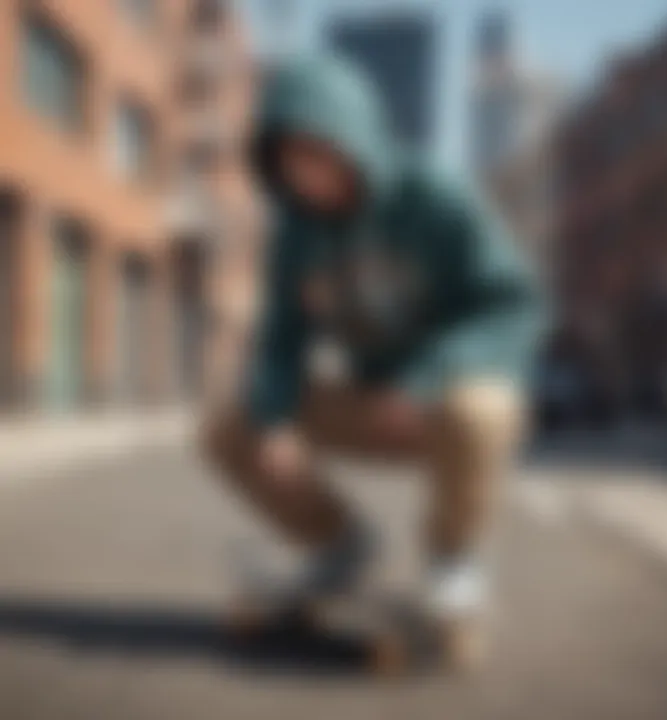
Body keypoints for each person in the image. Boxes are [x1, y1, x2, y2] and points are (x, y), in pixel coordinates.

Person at [202, 55, 545, 671]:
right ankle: (340, 547)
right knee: (232, 426)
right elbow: (281, 340)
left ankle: (453, 564)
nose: (306, 175)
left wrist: (428, 377)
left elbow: (514, 304)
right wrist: (275, 417)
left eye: (319, 154)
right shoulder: (296, 234)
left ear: (355, 139)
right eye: (289, 161)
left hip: (443, 402)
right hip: (370, 403)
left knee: (482, 408)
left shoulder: (435, 198)